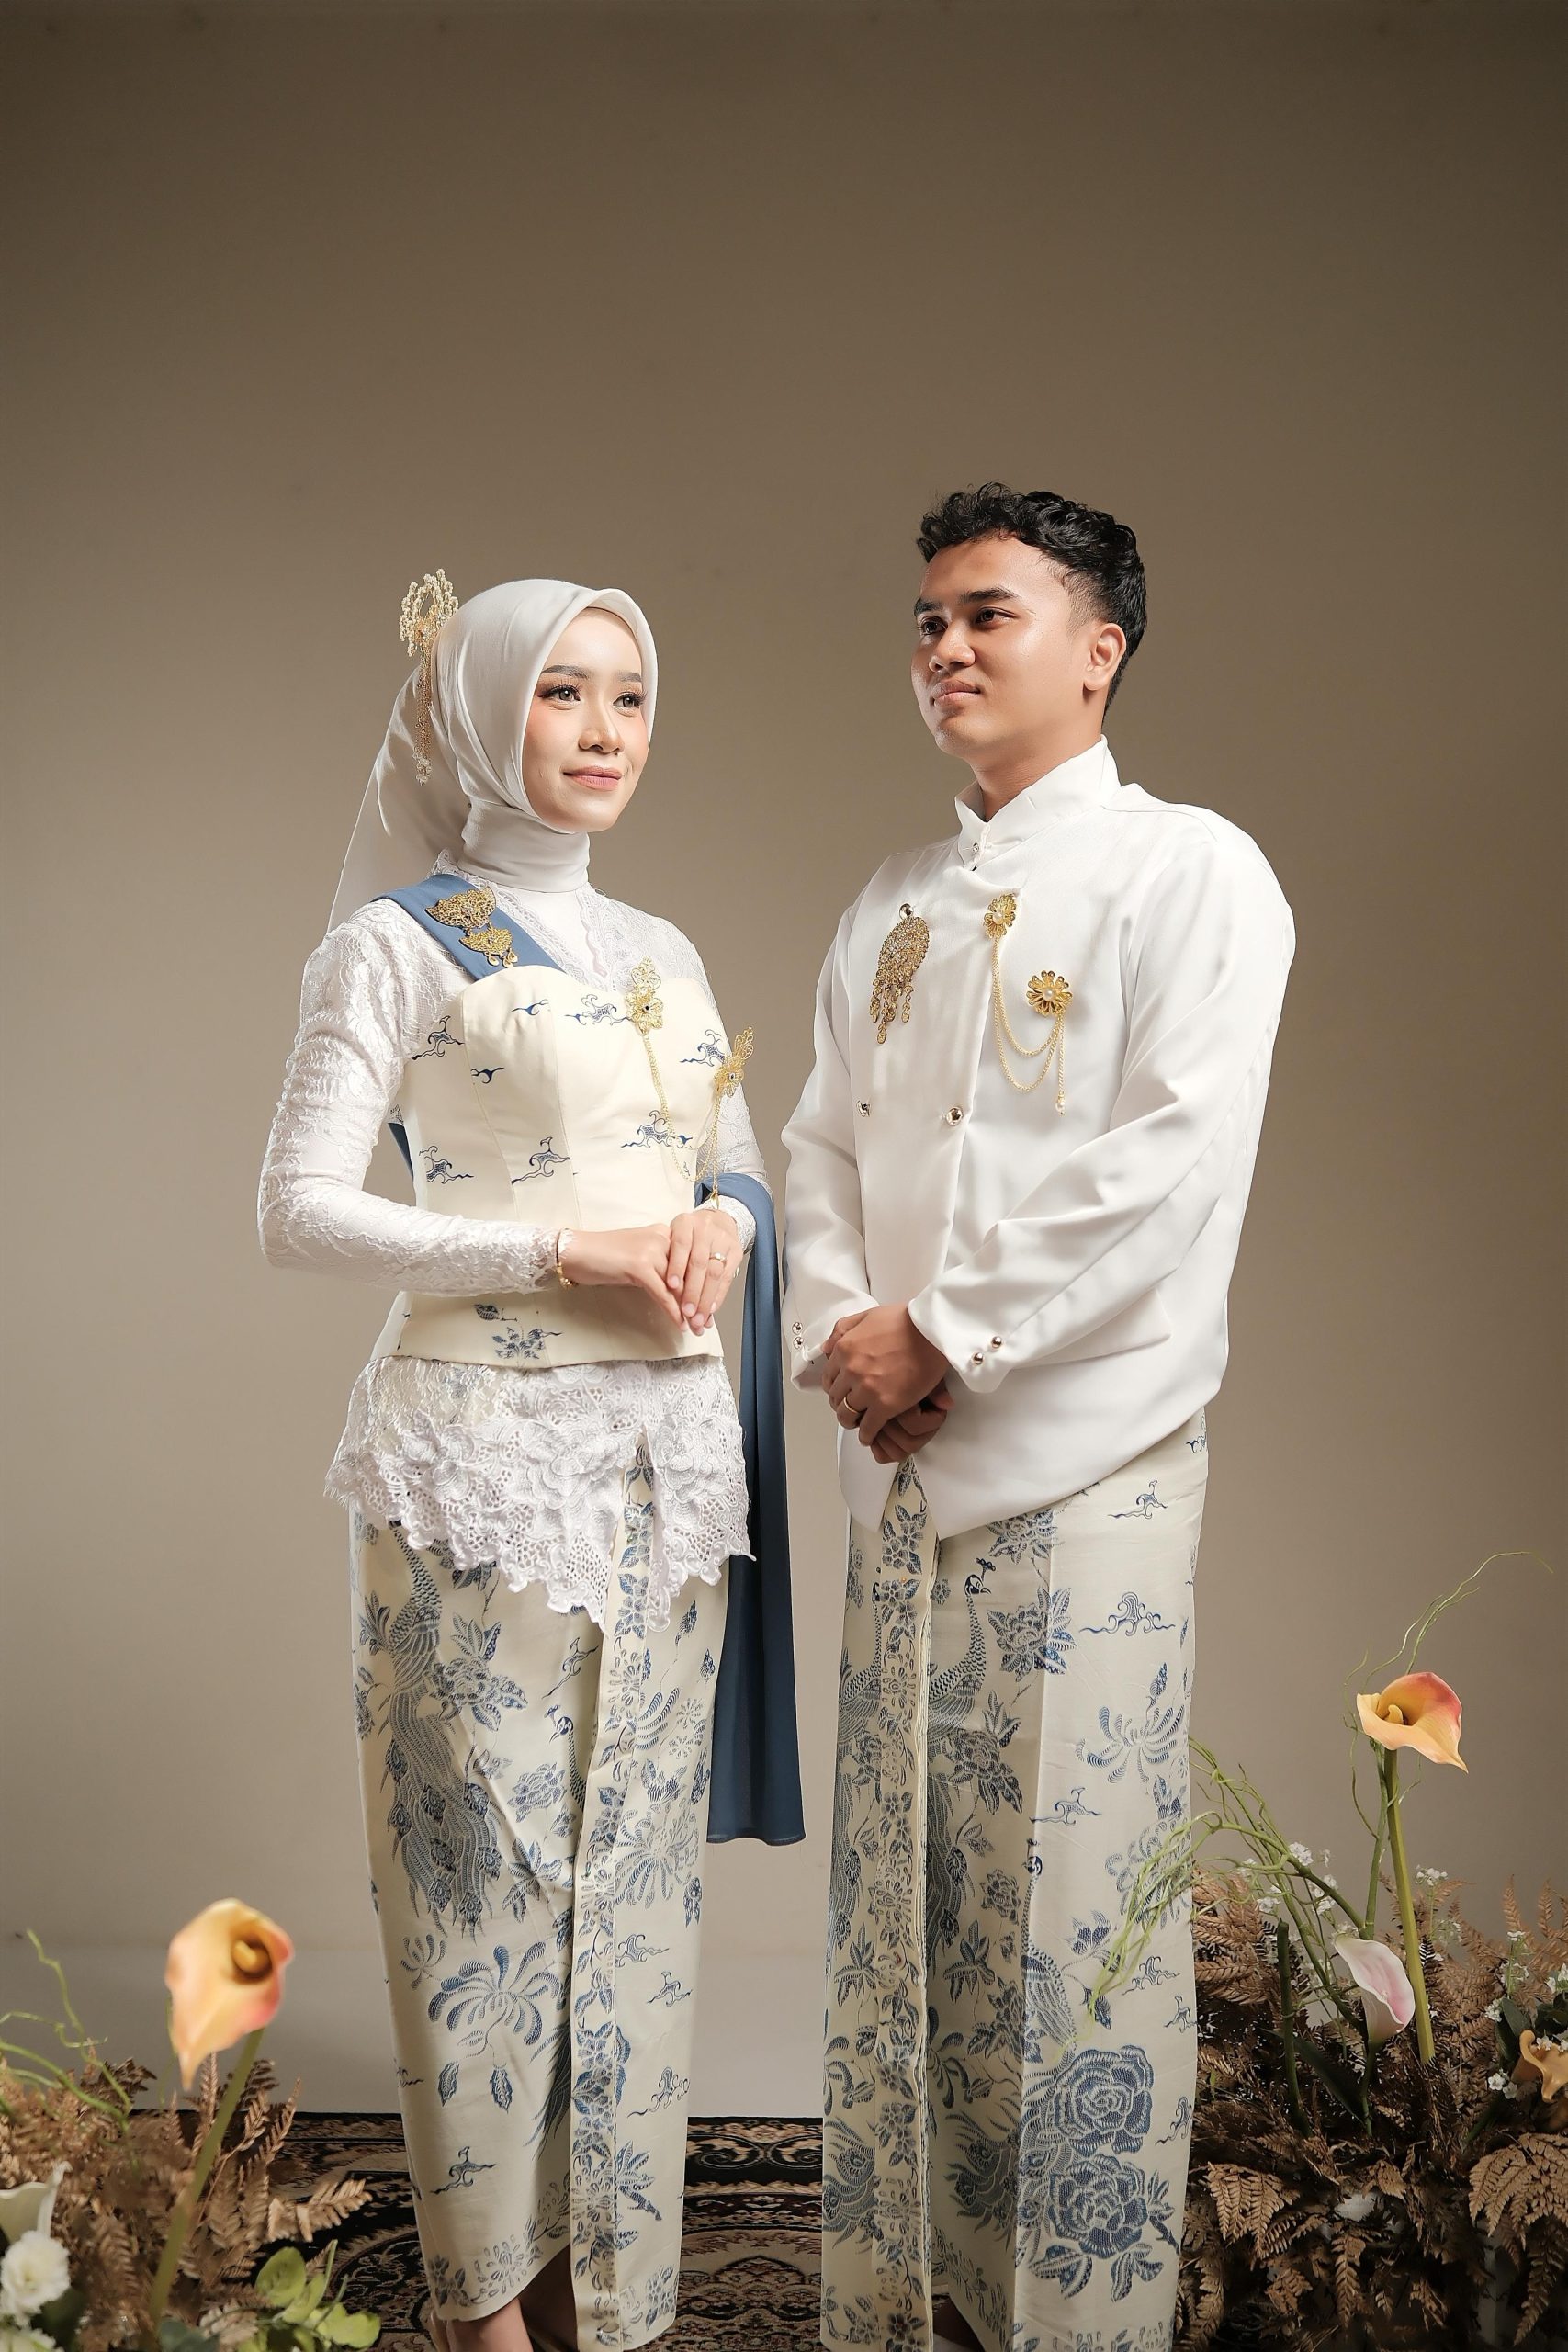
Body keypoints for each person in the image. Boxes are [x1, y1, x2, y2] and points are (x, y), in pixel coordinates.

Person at [259, 575, 801, 2352]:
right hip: (480, 1471)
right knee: (479, 1886)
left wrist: (727, 1220)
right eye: (561, 692)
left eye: (629, 696)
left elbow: (722, 1156)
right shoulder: (399, 943)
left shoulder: (662, 948)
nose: (603, 731)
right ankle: (481, 2307)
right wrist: (553, 1251)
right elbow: (297, 1209)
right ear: (482, 712)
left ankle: (611, 2297)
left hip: (669, 1467)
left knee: (634, 1889)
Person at [783, 485, 1294, 2352]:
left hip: (1084, 1471)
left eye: (986, 614)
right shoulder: (888, 902)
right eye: (926, 622)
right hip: (900, 1476)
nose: (944, 649)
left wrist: (943, 1332)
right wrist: (849, 1335)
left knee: (1066, 1939)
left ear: (1099, 647)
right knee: (908, 1927)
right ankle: (914, 2310)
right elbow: (819, 1146)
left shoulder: (1190, 873)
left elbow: (1168, 1164)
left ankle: (1071, 2324)